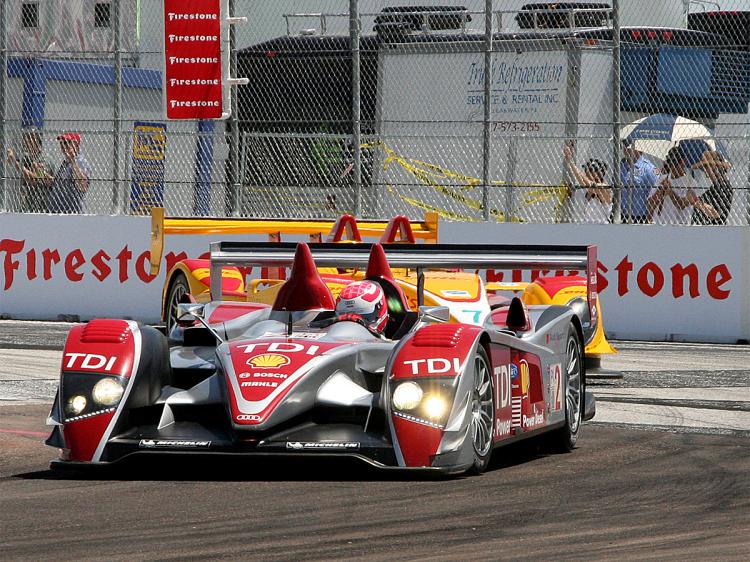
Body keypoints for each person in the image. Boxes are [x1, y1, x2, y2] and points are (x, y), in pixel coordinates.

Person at [646, 146, 717, 225]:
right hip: (659, 224)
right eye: (671, 163)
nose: (673, 167)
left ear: (683, 162)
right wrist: (660, 190)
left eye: (676, 163)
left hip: (679, 227)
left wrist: (670, 192)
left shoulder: (690, 183)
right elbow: (649, 206)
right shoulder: (662, 179)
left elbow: (681, 205)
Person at [5, 129, 54, 212]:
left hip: (40, 207)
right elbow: (9, 163)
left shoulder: (45, 160)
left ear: (39, 144)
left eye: (32, 140)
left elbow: (37, 178)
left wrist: (15, 163)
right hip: (25, 207)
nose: (28, 143)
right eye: (27, 140)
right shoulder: (25, 158)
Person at [562, 143, 611, 223]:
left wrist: (571, 162)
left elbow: (589, 185)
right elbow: (583, 181)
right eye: (586, 170)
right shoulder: (587, 188)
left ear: (599, 173)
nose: (586, 173)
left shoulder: (605, 188)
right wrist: (569, 160)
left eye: (590, 170)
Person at [47, 132, 92, 213]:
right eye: (62, 143)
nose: (63, 146)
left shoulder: (80, 161)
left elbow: (82, 186)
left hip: (72, 213)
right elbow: (61, 183)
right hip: (59, 212)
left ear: (76, 145)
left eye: (67, 143)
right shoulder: (66, 162)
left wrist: (73, 161)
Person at [620, 138, 658, 224]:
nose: (626, 148)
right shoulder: (621, 166)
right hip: (622, 216)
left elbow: (656, 195)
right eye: (624, 144)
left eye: (629, 145)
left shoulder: (649, 169)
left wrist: (650, 217)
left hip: (641, 218)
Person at [691, 150, 732, 225]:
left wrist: (696, 202)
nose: (704, 168)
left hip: (714, 230)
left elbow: (717, 213)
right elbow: (693, 167)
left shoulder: (723, 186)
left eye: (706, 166)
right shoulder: (715, 186)